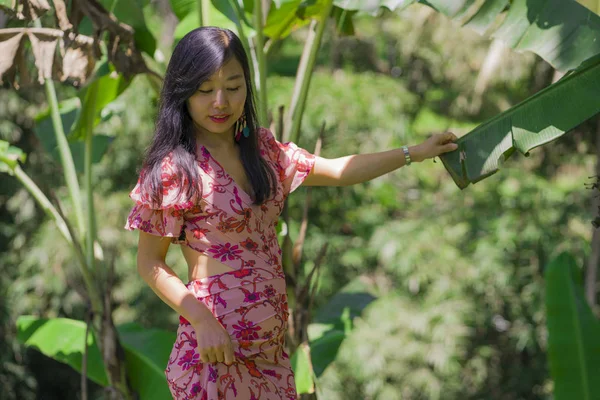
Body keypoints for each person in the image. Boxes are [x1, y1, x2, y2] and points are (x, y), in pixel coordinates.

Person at [124, 26, 458, 400]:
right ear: (183, 91)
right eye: (205, 90)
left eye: (233, 87)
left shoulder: (262, 150)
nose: (220, 101)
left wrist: (414, 152)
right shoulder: (174, 170)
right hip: (216, 354)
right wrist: (201, 319)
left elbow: (339, 171)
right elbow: (150, 263)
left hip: (272, 356)